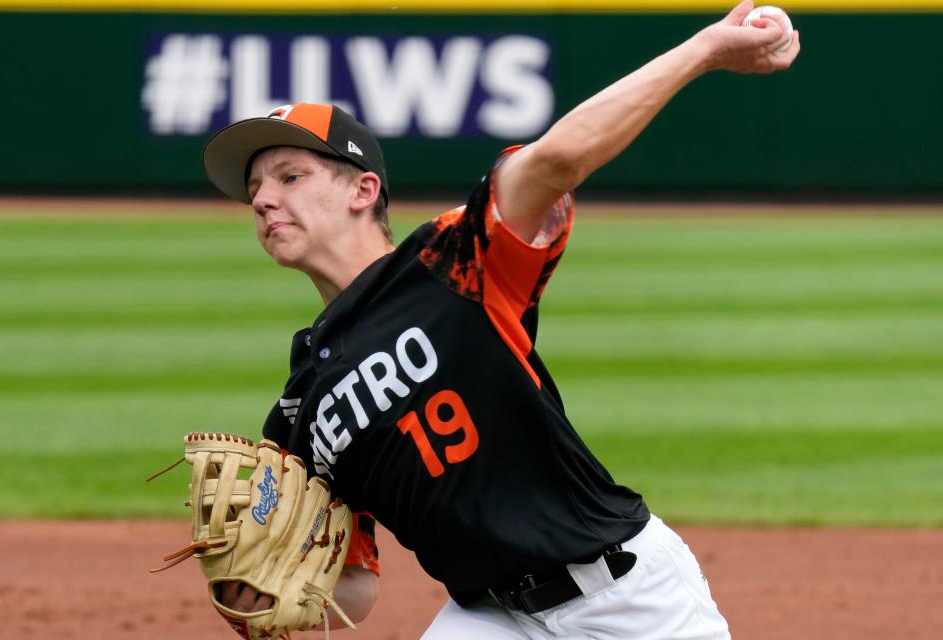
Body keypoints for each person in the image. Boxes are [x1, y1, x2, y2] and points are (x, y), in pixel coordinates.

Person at [201, 2, 800, 637]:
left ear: (363, 191)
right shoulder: (302, 406)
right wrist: (266, 593)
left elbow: (555, 161)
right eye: (256, 189)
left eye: (290, 176)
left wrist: (705, 49)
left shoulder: (450, 260)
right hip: (487, 618)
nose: (264, 199)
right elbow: (358, 584)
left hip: (625, 597)